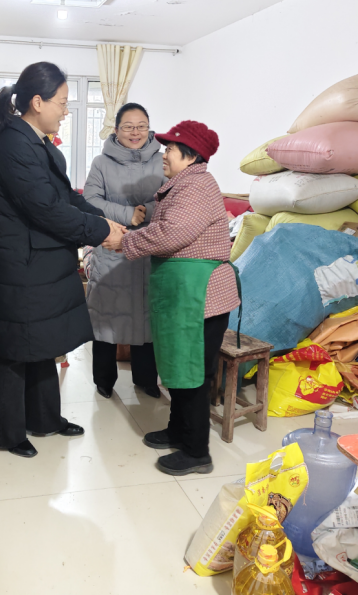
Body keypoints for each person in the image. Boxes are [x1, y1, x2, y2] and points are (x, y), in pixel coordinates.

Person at [0, 62, 125, 458]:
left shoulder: (38, 143)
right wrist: (101, 232)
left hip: (41, 262)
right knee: (16, 349)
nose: (65, 111)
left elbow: (67, 198)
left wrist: (105, 221)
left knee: (43, 343)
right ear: (37, 102)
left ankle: (44, 419)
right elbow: (47, 210)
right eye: (62, 103)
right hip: (22, 265)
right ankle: (4, 432)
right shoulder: (15, 147)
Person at [104, 121, 240, 476]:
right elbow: (168, 230)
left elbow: (172, 234)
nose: (163, 155)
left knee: (192, 372)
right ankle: (178, 430)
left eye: (170, 149)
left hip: (201, 298)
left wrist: (126, 241)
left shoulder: (196, 186)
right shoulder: (184, 185)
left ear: (191, 156)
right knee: (179, 366)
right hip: (187, 295)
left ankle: (196, 452)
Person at [83, 103, 165, 400]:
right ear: (116, 130)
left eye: (141, 126)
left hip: (149, 247)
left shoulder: (163, 160)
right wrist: (127, 213)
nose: (135, 132)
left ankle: (146, 380)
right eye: (128, 126)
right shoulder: (101, 163)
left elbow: (172, 196)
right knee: (106, 316)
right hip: (112, 248)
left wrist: (147, 212)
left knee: (147, 318)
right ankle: (104, 380)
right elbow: (90, 199)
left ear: (149, 128)